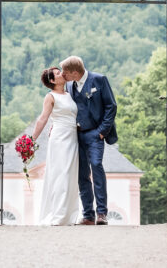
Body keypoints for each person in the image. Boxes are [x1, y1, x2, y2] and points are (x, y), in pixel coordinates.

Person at [60, 55, 118, 225]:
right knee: (81, 173)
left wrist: (102, 131)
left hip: (95, 134)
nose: (63, 75)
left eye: (65, 72)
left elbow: (111, 106)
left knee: (96, 165)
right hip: (76, 135)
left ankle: (102, 213)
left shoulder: (99, 80)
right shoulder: (69, 85)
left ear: (74, 72)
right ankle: (88, 215)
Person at [31, 66, 80, 225]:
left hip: (73, 137)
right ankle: (58, 215)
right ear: (52, 80)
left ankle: (69, 216)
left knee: (71, 175)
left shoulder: (70, 93)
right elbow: (43, 118)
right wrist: (32, 140)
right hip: (59, 138)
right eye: (58, 73)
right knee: (61, 174)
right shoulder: (50, 96)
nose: (62, 74)